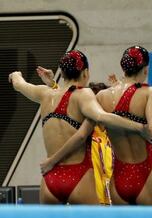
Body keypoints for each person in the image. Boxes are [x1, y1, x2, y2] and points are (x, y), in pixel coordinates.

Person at [44, 46, 152, 205]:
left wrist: (52, 160)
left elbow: (80, 134)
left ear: (123, 67)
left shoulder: (101, 96)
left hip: (119, 177)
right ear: (146, 70)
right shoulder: (151, 93)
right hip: (146, 171)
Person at [8, 50, 144, 204]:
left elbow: (19, 84)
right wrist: (140, 127)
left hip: (50, 179)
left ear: (63, 73)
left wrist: (15, 74)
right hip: (78, 175)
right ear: (85, 73)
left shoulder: (45, 94)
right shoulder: (83, 94)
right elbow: (102, 116)